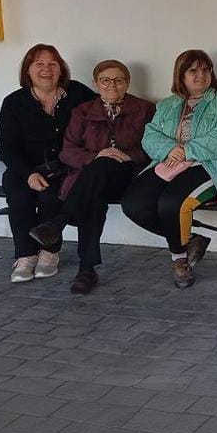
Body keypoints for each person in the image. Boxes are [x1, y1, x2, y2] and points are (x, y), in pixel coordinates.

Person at [28, 60, 155, 294]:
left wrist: (128, 156)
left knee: (98, 175)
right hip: (92, 178)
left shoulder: (145, 109)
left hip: (129, 177)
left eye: (118, 80)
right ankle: (86, 270)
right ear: (95, 83)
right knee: (94, 191)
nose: (112, 85)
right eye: (105, 80)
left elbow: (154, 147)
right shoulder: (83, 111)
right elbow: (68, 151)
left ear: (127, 82)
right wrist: (97, 157)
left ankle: (59, 224)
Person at [121, 50, 217, 289]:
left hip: (210, 164)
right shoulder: (168, 104)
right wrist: (170, 149)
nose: (200, 75)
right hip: (170, 163)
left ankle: (179, 259)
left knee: (171, 202)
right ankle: (191, 240)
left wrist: (187, 151)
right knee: (133, 203)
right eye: (193, 71)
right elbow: (150, 135)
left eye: (205, 70)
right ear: (181, 75)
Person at [0, 44, 96, 283]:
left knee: (50, 196)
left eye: (52, 64)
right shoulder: (14, 102)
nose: (46, 69)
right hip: (24, 168)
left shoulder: (77, 93)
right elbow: (7, 148)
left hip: (64, 167)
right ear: (28, 70)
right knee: (20, 197)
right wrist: (29, 174)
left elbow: (104, 108)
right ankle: (25, 255)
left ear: (61, 69)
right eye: (39, 64)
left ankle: (50, 252)